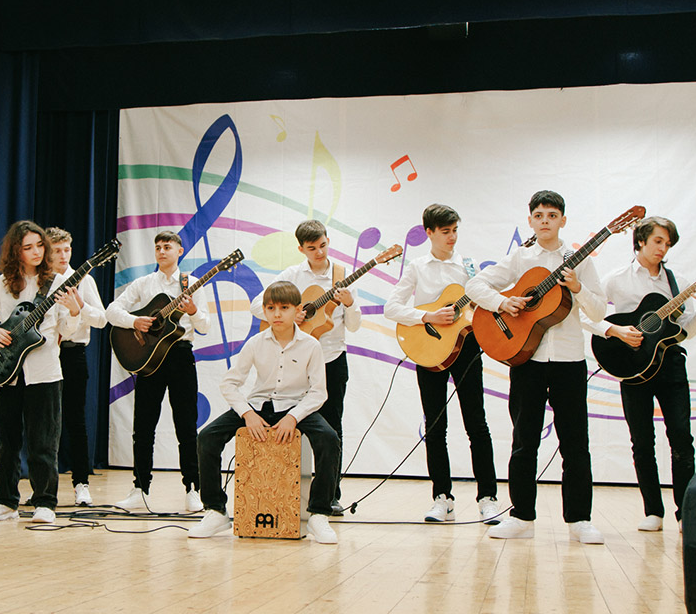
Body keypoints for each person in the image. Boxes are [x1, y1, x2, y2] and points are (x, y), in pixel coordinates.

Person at [465, 190, 608, 544]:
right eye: (539, 215)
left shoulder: (578, 260)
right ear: (530, 220)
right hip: (527, 359)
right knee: (524, 441)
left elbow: (599, 310)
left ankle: (579, 519)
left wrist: (578, 288)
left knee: (575, 443)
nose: (545, 221)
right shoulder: (521, 258)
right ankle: (521, 516)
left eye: (552, 215)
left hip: (569, 361)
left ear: (563, 220)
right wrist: (502, 302)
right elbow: (474, 284)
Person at [189, 281, 340, 543]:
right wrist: (247, 414)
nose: (277, 314)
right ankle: (215, 510)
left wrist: (293, 417)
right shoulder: (255, 343)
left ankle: (318, 514)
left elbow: (318, 392)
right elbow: (229, 383)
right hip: (258, 406)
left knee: (329, 439)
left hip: (296, 405)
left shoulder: (311, 345)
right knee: (207, 437)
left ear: (298, 310)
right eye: (270, 308)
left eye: (284, 308)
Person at [587, 216, 696, 532]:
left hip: (670, 366)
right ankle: (653, 511)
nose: (662, 248)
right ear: (640, 240)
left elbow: (685, 331)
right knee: (642, 442)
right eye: (657, 241)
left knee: (681, 437)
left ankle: (685, 513)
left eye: (667, 244)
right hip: (632, 368)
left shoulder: (677, 282)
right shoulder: (617, 279)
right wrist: (615, 331)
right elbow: (587, 313)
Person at [383, 204, 499, 524]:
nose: (452, 237)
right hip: (430, 349)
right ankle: (442, 498)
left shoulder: (469, 267)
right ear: (429, 233)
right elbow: (391, 308)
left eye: (455, 230)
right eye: (445, 231)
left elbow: (483, 304)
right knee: (435, 427)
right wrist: (428, 316)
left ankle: (488, 497)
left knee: (477, 424)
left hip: (467, 347)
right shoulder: (417, 267)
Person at [0, 220, 81, 523]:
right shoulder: (3, 284)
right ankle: (5, 502)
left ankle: (45, 503)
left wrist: (74, 311)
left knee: (44, 443)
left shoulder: (57, 283)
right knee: (7, 443)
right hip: (9, 374)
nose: (36, 252)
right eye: (28, 247)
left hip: (45, 373)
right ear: (16, 251)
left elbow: (68, 330)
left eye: (40, 245)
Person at [250, 219, 360, 515]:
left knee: (331, 429)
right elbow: (257, 304)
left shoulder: (342, 277)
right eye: (312, 248)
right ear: (301, 249)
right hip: (295, 363)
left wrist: (350, 304)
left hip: (332, 359)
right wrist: (289, 315)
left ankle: (330, 496)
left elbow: (354, 326)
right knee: (286, 424)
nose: (319, 252)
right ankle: (284, 491)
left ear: (328, 241)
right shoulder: (292, 275)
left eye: (323, 245)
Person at [106, 231, 208, 512]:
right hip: (149, 359)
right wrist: (134, 321)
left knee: (186, 426)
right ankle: (140, 488)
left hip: (180, 356)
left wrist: (194, 311)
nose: (162, 251)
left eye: (167, 247)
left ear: (180, 251)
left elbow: (205, 326)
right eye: (158, 247)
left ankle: (193, 488)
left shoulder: (190, 284)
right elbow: (111, 311)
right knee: (143, 427)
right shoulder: (144, 283)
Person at [45, 227, 107, 507]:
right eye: (57, 250)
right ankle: (43, 487)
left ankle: (81, 483)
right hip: (43, 355)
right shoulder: (41, 280)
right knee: (43, 423)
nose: (63, 255)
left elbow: (102, 319)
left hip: (73, 354)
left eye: (67, 249)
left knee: (75, 420)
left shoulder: (84, 280)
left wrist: (80, 306)